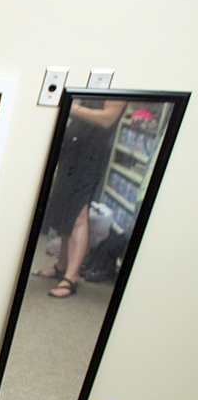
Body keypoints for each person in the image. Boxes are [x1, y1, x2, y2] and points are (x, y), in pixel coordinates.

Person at [34, 97, 125, 299]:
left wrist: (72, 108)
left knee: (78, 214)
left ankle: (71, 277)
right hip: (74, 148)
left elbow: (108, 118)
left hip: (91, 154)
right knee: (64, 210)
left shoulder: (117, 80)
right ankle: (61, 266)